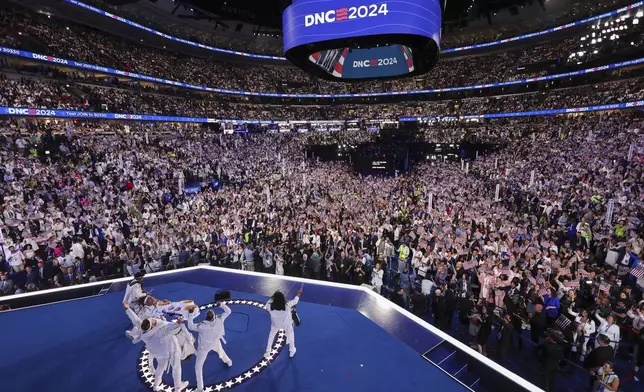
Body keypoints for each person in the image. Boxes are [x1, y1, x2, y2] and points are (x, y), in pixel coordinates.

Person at [122, 301, 188, 392]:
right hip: (170, 350)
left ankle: (156, 385)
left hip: (157, 352)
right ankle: (178, 387)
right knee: (176, 367)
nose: (153, 319)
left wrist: (127, 308)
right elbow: (173, 327)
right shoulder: (160, 331)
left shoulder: (142, 329)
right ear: (152, 325)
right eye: (152, 320)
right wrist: (179, 321)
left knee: (160, 367)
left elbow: (135, 319)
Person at [188, 303, 232, 392]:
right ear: (214, 316)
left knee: (198, 367)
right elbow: (229, 311)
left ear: (206, 317)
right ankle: (228, 361)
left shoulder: (201, 326)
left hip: (204, 348)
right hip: (215, 342)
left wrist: (191, 314)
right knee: (221, 351)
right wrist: (221, 305)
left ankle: (200, 388)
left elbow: (190, 326)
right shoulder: (220, 320)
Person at [265, 286, 303, 359]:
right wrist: (298, 293)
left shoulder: (268, 306)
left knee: (271, 335)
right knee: (291, 336)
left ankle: (268, 350)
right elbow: (295, 301)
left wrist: (275, 295)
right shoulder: (286, 306)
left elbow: (270, 300)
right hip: (287, 324)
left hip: (275, 324)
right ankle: (292, 350)